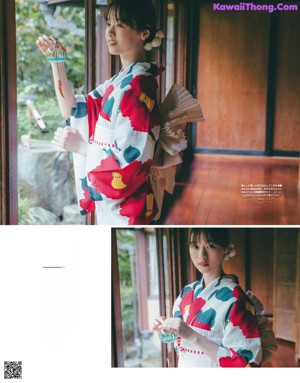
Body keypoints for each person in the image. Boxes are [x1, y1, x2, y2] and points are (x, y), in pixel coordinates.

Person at [36, 0, 164, 224]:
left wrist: (83, 147)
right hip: (112, 201)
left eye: (120, 25)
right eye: (108, 24)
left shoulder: (138, 86)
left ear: (143, 33)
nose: (110, 33)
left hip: (126, 205)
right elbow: (74, 109)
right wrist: (57, 63)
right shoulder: (121, 81)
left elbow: (132, 162)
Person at [153, 228, 263, 367]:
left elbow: (245, 364)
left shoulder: (236, 300)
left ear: (226, 248)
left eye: (210, 246)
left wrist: (192, 336)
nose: (201, 255)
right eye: (195, 246)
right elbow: (181, 346)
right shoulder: (186, 293)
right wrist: (169, 328)